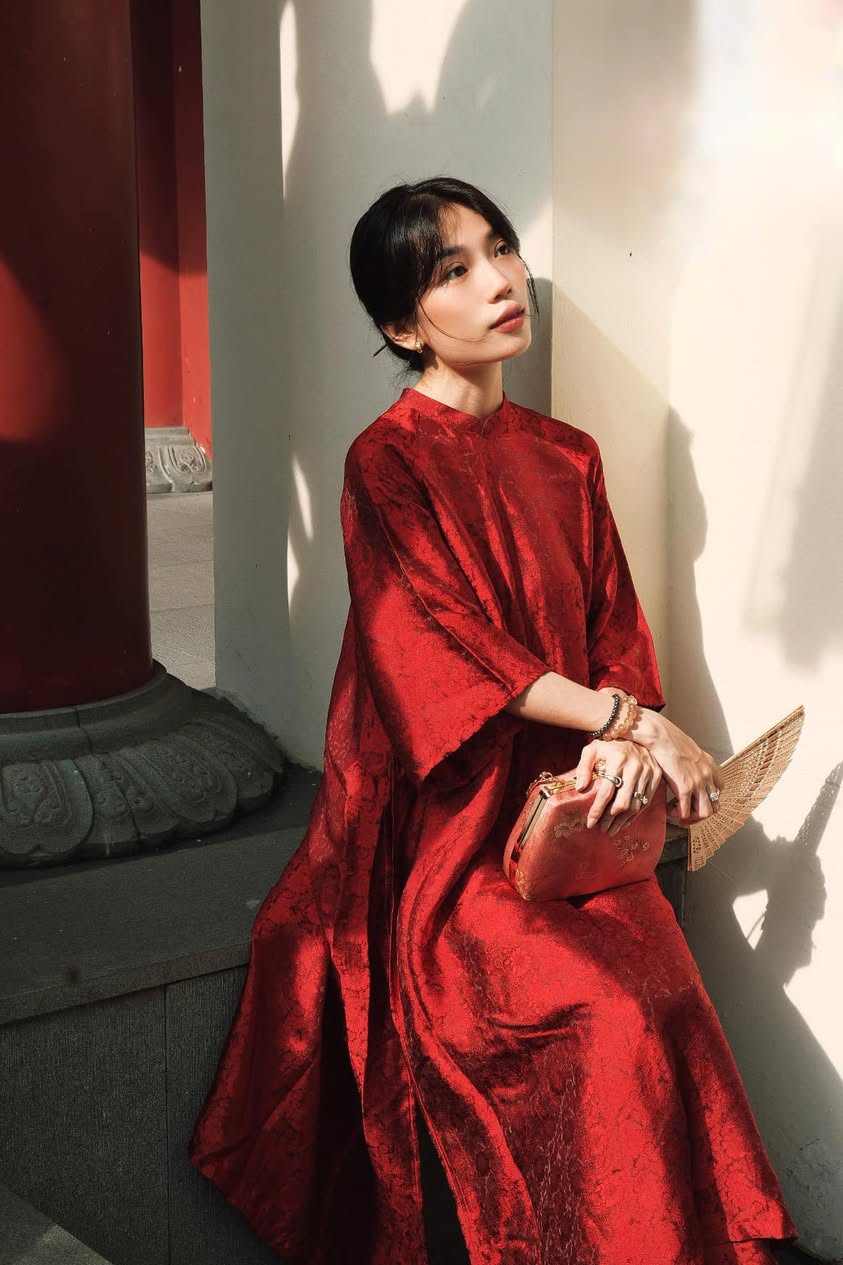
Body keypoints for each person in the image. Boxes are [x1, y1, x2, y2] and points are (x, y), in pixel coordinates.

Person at [189, 177, 796, 1264]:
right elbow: (449, 653)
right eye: (453, 270)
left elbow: (613, 624)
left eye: (502, 249)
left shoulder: (568, 455)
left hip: (572, 812)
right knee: (604, 1013)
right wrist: (631, 720)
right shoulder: (385, 462)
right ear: (400, 323)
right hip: (450, 825)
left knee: (667, 999)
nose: (502, 280)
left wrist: (623, 735)